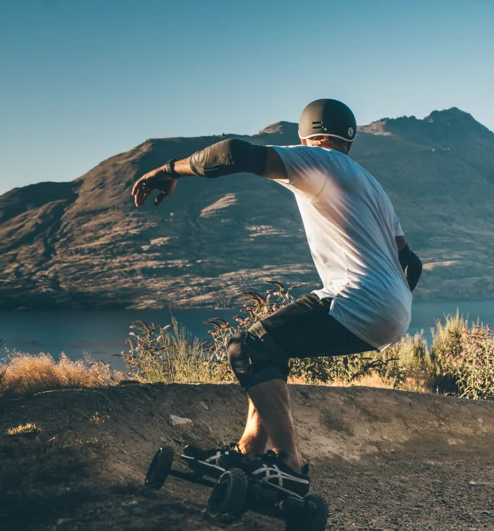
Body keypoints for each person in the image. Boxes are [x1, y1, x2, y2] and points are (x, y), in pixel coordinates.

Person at [131, 99, 421, 497]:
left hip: (359, 299)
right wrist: (393, 304)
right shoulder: (369, 185)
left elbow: (231, 154)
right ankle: (249, 453)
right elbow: (412, 263)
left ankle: (290, 465)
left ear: (307, 136)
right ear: (350, 139)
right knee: (271, 350)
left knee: (245, 347)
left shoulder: (319, 161)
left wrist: (168, 169)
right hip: (392, 311)